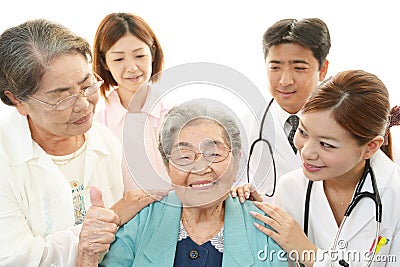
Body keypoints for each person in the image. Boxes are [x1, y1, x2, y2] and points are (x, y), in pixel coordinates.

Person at [0, 19, 164, 266]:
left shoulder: (105, 142)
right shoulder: (6, 159)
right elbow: (14, 258)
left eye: (87, 85)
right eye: (61, 98)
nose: (84, 105)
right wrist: (114, 217)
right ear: (18, 101)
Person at [78, 102, 288, 266]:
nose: (199, 168)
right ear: (167, 166)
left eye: (214, 154)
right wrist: (87, 255)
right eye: (184, 156)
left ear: (237, 162)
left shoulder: (265, 228)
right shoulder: (141, 221)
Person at [250, 70, 400, 266]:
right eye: (302, 132)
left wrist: (311, 255)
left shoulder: (395, 194)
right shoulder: (290, 188)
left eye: (326, 144)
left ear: (370, 147)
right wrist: (250, 214)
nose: (306, 153)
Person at [235, 18, 331, 202]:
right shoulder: (243, 126)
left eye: (299, 68)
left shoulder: (343, 126)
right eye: (275, 67)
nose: (285, 81)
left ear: (322, 69)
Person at [93, 12, 170, 192]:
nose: (132, 68)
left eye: (139, 56)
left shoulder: (175, 114)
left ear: (152, 53)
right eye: (119, 59)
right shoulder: (96, 126)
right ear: (104, 62)